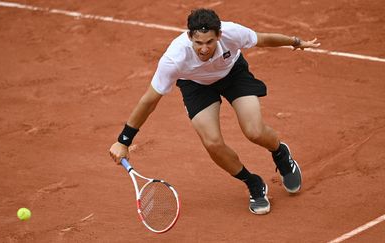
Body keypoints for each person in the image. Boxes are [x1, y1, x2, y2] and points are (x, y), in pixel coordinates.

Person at [109, 8, 320, 215]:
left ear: (219, 35)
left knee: (254, 131)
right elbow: (149, 101)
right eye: (198, 43)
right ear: (190, 36)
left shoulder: (232, 32)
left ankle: (280, 153)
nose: (203, 49)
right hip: (196, 85)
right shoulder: (174, 58)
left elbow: (263, 39)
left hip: (233, 75)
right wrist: (123, 141)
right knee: (212, 142)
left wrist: (295, 42)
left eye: (210, 42)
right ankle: (253, 182)